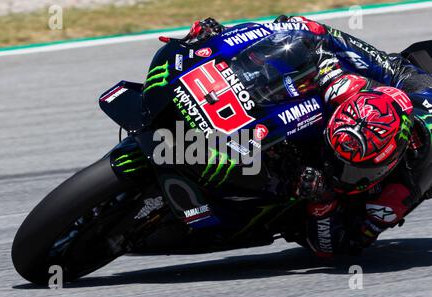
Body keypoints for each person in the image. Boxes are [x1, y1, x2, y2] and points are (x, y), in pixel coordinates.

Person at [183, 16, 432, 256]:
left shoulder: (400, 191)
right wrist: (224, 40)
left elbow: (338, 245)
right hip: (407, 80)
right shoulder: (362, 85)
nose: (334, 167)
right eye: (338, 160)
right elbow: (307, 28)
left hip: (332, 199)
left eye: (353, 168)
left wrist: (323, 200)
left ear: (386, 163)